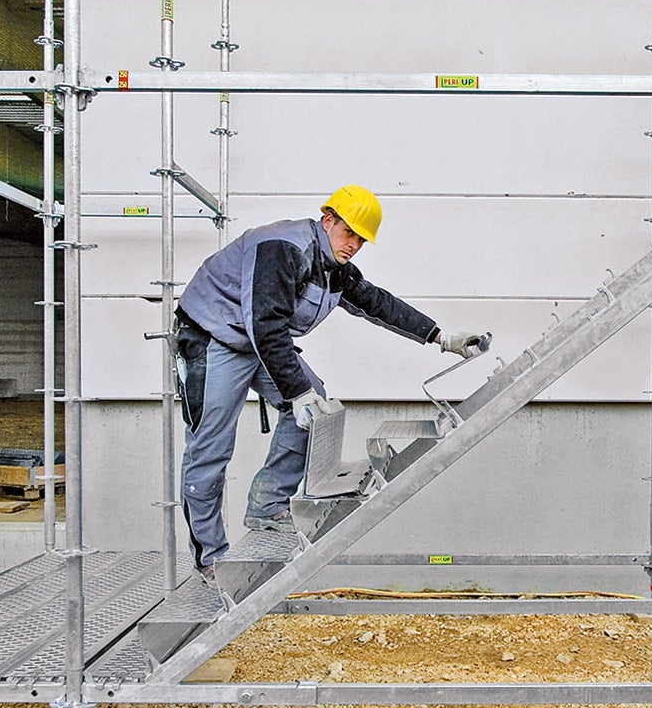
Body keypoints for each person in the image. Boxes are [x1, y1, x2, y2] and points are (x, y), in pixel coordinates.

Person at [174, 185, 487, 580]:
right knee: (211, 449)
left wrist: (441, 337)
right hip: (212, 338)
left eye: (361, 238)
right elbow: (267, 323)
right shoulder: (283, 248)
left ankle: (268, 504)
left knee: (314, 407)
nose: (354, 244)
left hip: (256, 340)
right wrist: (296, 392)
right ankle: (211, 560)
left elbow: (377, 303)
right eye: (349, 232)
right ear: (328, 220)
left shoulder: (333, 268)